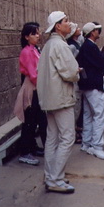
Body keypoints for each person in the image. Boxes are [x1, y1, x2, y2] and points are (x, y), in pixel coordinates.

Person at [37, 11, 79, 194]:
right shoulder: (60, 46)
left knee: (52, 138)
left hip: (49, 99)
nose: (69, 24)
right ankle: (56, 179)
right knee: (68, 137)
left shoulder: (48, 45)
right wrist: (77, 72)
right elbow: (70, 72)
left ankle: (50, 176)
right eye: (66, 21)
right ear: (58, 26)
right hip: (61, 99)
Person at [14, 22, 47, 166]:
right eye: (34, 33)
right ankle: (25, 152)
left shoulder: (34, 49)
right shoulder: (26, 52)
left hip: (37, 88)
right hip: (32, 88)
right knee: (30, 121)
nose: (37, 36)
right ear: (26, 36)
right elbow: (33, 74)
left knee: (38, 120)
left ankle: (32, 148)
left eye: (38, 33)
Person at [77, 21, 104, 159]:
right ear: (92, 32)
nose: (98, 32)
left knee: (89, 115)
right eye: (96, 30)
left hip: (86, 85)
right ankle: (96, 146)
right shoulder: (90, 46)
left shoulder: (85, 46)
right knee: (99, 115)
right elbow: (102, 62)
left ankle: (86, 143)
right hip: (94, 85)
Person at [66, 23, 84, 143]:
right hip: (74, 79)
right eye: (77, 28)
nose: (79, 30)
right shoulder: (71, 46)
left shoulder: (77, 43)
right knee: (75, 108)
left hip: (78, 77)